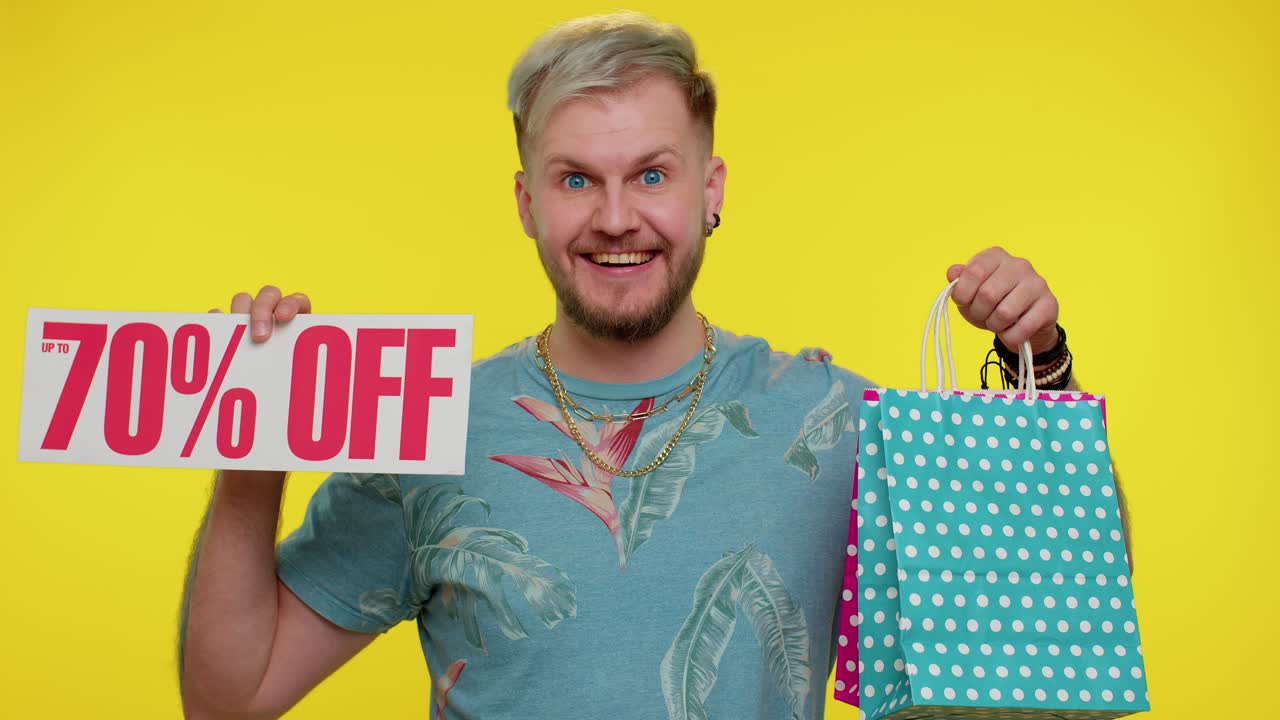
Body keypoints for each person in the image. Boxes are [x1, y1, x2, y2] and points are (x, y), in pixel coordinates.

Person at [178, 11, 1131, 719]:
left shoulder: (826, 424)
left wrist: (1038, 363)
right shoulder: (430, 426)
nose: (617, 216)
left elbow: (1061, 604)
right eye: (576, 179)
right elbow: (228, 698)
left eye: (653, 174)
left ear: (709, 188)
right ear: (525, 201)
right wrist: (251, 464)